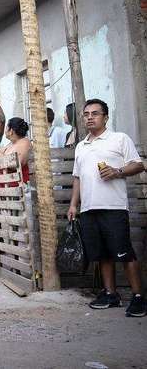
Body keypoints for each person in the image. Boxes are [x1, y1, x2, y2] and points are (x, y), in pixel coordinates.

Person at [66, 99, 145, 317]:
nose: (90, 117)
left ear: (105, 117)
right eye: (86, 114)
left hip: (114, 207)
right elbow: (77, 178)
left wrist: (117, 171)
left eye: (95, 113)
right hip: (89, 208)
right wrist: (74, 204)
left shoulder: (119, 139)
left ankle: (139, 297)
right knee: (102, 255)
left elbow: (138, 165)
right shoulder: (81, 146)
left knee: (124, 253)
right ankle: (111, 294)